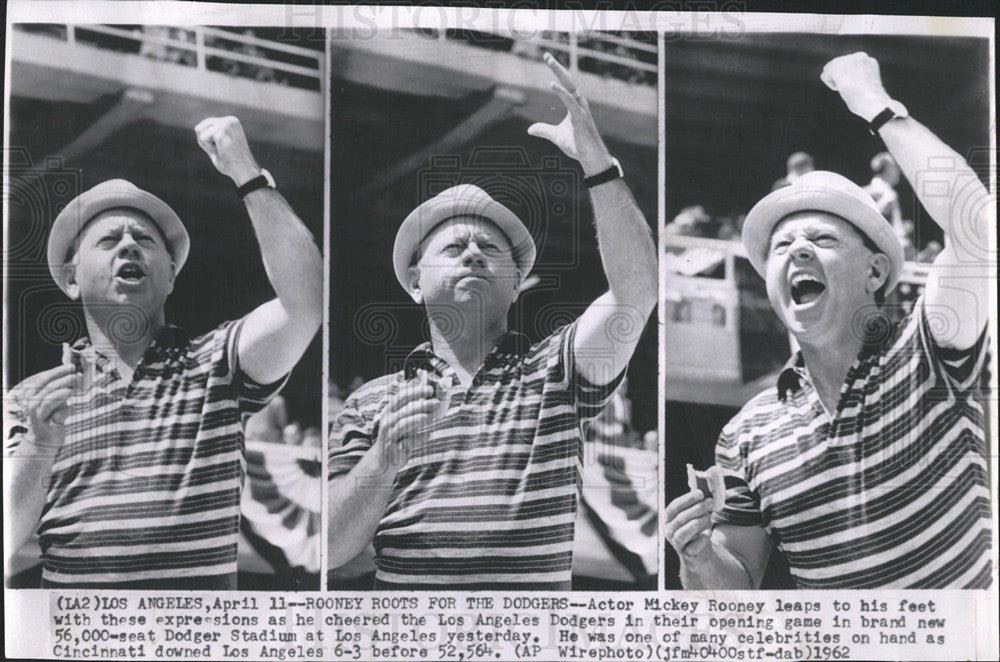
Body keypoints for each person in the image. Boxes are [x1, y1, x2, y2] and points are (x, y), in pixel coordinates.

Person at [327, 53, 657, 590]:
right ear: (414, 283)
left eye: (491, 249)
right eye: (455, 246)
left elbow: (637, 292)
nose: (475, 254)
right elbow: (333, 550)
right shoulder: (369, 403)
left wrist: (598, 163)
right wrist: (384, 460)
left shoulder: (557, 372)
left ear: (515, 283)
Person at [665, 52, 992, 589]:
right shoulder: (744, 434)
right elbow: (737, 593)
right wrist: (697, 555)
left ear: (876, 270)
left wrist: (876, 106)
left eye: (820, 239)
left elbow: (979, 228)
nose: (796, 251)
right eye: (780, 247)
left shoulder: (931, 344)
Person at [3, 116, 322, 589]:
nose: (129, 244)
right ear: (71, 279)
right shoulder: (29, 399)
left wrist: (247, 174)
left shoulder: (220, 361)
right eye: (110, 240)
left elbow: (308, 300)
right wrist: (40, 443)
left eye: (144, 240)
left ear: (170, 277)